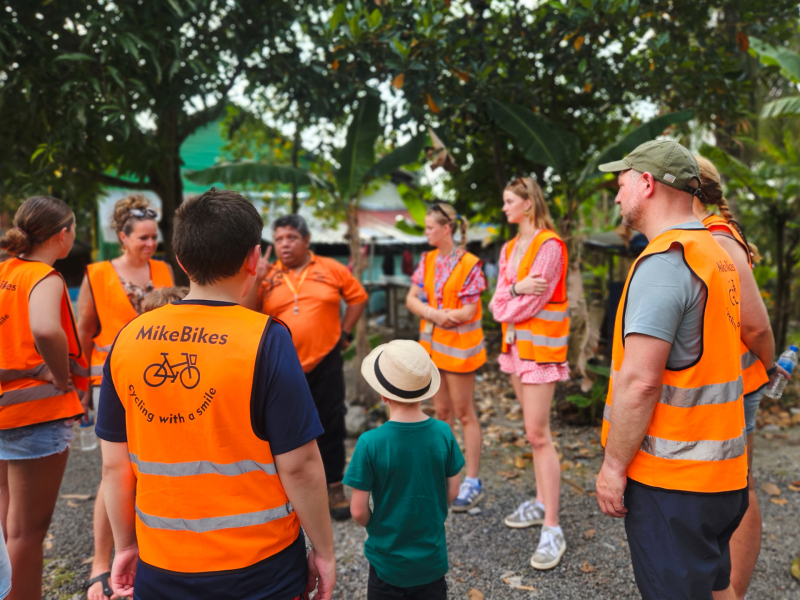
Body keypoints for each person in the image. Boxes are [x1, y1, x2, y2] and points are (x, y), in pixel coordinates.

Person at [96, 189, 335, 600]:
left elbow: (115, 468)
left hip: (161, 565)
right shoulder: (267, 339)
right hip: (261, 570)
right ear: (253, 258)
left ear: (181, 261)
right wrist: (325, 552)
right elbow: (300, 466)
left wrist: (126, 546)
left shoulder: (127, 339)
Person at [596, 141, 748, 600]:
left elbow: (641, 382)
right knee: (716, 589)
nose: (619, 197)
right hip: (723, 477)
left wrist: (613, 467)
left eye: (622, 185)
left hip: (675, 482)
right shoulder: (716, 251)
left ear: (647, 183)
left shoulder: (666, 262)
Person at [693, 155, 790, 599]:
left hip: (738, 382)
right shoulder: (705, 234)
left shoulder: (718, 237)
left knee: (738, 489)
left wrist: (770, 368)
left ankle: (732, 591)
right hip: (723, 383)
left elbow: (755, 326)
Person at [77, 195, 174, 600]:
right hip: (109, 377)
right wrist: (81, 384)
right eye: (143, 238)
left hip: (160, 377)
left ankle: (146, 554)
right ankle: (103, 561)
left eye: (154, 237)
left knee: (149, 465)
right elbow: (84, 329)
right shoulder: (97, 273)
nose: (151, 244)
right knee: (114, 470)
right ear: (123, 236)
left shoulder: (164, 269)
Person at [245, 214, 367, 520]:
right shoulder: (268, 274)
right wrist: (256, 278)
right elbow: (245, 314)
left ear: (306, 240)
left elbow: (357, 297)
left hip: (326, 359)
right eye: (279, 239)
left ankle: (334, 486)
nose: (284, 245)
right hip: (281, 363)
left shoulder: (330, 268)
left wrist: (346, 332)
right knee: (282, 426)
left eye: (291, 238)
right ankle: (286, 491)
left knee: (331, 421)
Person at [0, 196, 88, 600]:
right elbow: (47, 330)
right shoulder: (44, 277)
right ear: (62, 235)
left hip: (4, 411)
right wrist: (58, 375)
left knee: (6, 527)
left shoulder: (5, 272)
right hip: (35, 414)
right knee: (26, 533)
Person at [489, 177, 570, 570]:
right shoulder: (509, 248)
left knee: (539, 435)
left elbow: (518, 305)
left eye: (508, 201)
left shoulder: (550, 245)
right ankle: (541, 503)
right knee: (532, 434)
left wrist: (512, 293)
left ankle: (552, 526)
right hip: (517, 350)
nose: (504, 207)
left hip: (541, 352)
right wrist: (515, 291)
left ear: (527, 203)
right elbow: (499, 301)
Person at [344, 340, 463, 600]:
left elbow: (357, 510)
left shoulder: (370, 443)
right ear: (425, 390)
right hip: (431, 562)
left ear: (383, 394)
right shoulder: (443, 432)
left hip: (387, 564)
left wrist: (378, 528)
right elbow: (453, 490)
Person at [404, 201, 487, 512]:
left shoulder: (470, 264)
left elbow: (469, 309)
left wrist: (439, 315)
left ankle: (473, 480)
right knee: (442, 413)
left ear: (446, 228)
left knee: (465, 413)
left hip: (461, 351)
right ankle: (447, 476)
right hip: (433, 350)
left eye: (429, 227)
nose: (425, 232)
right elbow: (412, 299)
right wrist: (433, 314)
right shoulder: (426, 260)